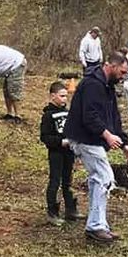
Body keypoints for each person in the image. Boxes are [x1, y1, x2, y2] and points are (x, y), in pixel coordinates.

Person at [64, 49, 128, 244]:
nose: (123, 78)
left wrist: (125, 144)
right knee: (103, 178)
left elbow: (114, 118)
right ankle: (95, 227)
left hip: (94, 139)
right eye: (121, 73)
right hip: (83, 138)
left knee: (100, 179)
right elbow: (90, 116)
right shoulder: (92, 85)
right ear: (111, 67)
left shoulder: (108, 86)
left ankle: (99, 225)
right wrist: (107, 135)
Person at [39, 80, 79, 226]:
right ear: (52, 96)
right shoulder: (48, 115)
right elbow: (44, 137)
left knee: (68, 180)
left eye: (66, 96)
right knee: (55, 181)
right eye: (61, 96)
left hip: (69, 152)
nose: (64, 99)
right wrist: (60, 142)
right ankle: (52, 212)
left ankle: (70, 209)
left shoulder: (67, 113)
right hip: (56, 152)